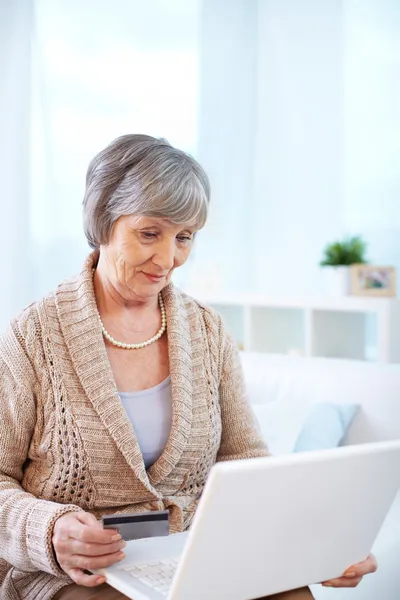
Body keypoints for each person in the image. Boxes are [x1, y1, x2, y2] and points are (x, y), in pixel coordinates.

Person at [0, 135, 377, 600]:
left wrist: (315, 544)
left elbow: (246, 462)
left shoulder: (207, 331)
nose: (168, 259)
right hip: (74, 573)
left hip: (195, 555)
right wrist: (49, 531)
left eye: (184, 238)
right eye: (149, 233)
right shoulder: (32, 336)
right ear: (103, 222)